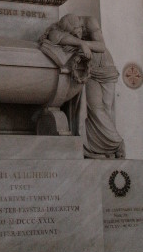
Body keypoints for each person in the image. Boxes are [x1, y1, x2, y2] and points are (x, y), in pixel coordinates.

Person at [40, 14, 125, 158]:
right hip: (89, 69)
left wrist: (85, 44)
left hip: (106, 68)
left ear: (80, 25)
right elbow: (54, 36)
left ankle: (108, 149)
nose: (77, 35)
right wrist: (80, 43)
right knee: (95, 108)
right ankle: (115, 143)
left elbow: (101, 46)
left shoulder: (90, 22)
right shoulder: (60, 28)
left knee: (106, 109)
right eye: (72, 34)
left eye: (77, 32)